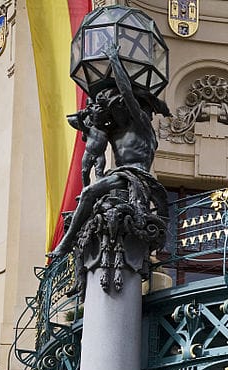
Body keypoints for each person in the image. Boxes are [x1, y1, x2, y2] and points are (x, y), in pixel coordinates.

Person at [50, 44, 170, 260]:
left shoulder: (142, 123)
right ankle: (73, 242)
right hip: (120, 175)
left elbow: (126, 92)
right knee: (92, 196)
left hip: (136, 175)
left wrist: (114, 61)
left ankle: (66, 243)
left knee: (89, 193)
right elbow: (90, 130)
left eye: (118, 106)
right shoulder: (114, 130)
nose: (117, 111)